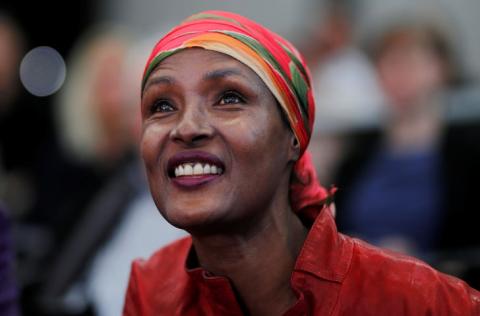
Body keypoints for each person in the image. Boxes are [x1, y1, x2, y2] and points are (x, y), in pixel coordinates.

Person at [123, 11, 480, 315]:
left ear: (293, 137)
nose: (187, 127)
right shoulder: (152, 290)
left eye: (229, 98)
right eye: (162, 106)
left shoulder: (418, 301)